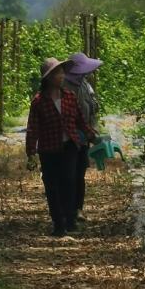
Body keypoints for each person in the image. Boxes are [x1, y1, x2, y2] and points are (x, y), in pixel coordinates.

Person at [25, 58, 95, 237]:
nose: (61, 76)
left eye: (62, 72)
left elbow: (80, 120)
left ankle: (70, 221)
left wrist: (91, 134)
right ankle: (58, 223)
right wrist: (31, 152)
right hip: (48, 149)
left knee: (69, 182)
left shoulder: (70, 97)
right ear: (48, 78)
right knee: (51, 185)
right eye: (57, 73)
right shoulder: (39, 101)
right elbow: (33, 128)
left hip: (69, 146)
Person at [62, 52, 101, 222]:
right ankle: (67, 209)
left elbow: (92, 107)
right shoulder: (65, 87)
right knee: (69, 174)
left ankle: (77, 208)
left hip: (84, 136)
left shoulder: (84, 84)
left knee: (79, 173)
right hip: (69, 138)